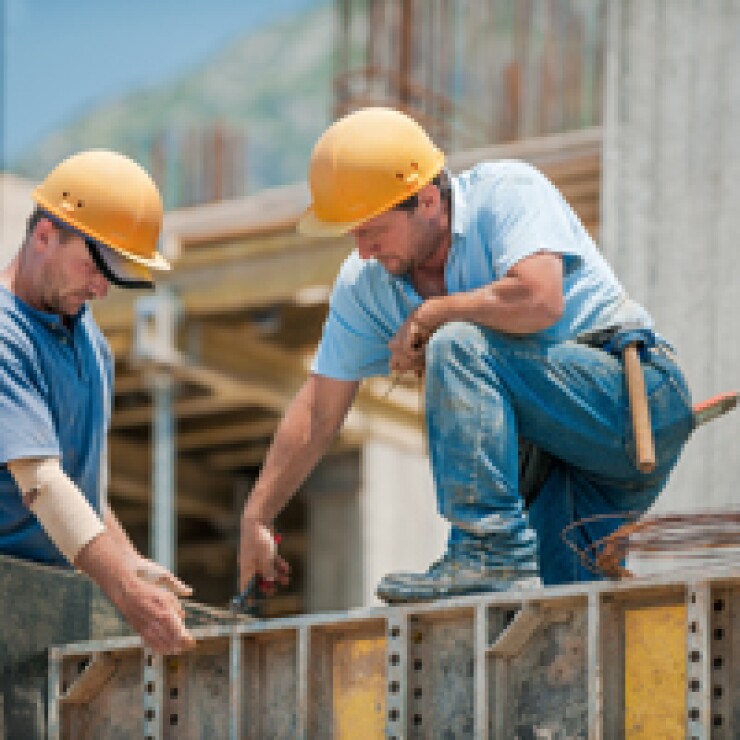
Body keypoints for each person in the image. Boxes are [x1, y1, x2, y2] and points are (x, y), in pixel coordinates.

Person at [238, 107, 694, 604]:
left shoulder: (506, 194)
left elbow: (541, 299)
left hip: (631, 400)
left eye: (373, 230)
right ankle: (491, 556)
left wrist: (437, 312)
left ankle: (488, 549)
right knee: (565, 620)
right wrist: (257, 515)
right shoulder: (366, 284)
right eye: (353, 235)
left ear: (428, 200)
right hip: (557, 463)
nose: (364, 250)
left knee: (457, 343)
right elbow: (319, 409)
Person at [1, 150, 195, 652]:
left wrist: (128, 559)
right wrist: (124, 590)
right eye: (93, 265)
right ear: (44, 235)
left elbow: (76, 485)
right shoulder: (6, 337)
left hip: (41, 605)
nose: (101, 288)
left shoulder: (91, 344)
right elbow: (40, 482)